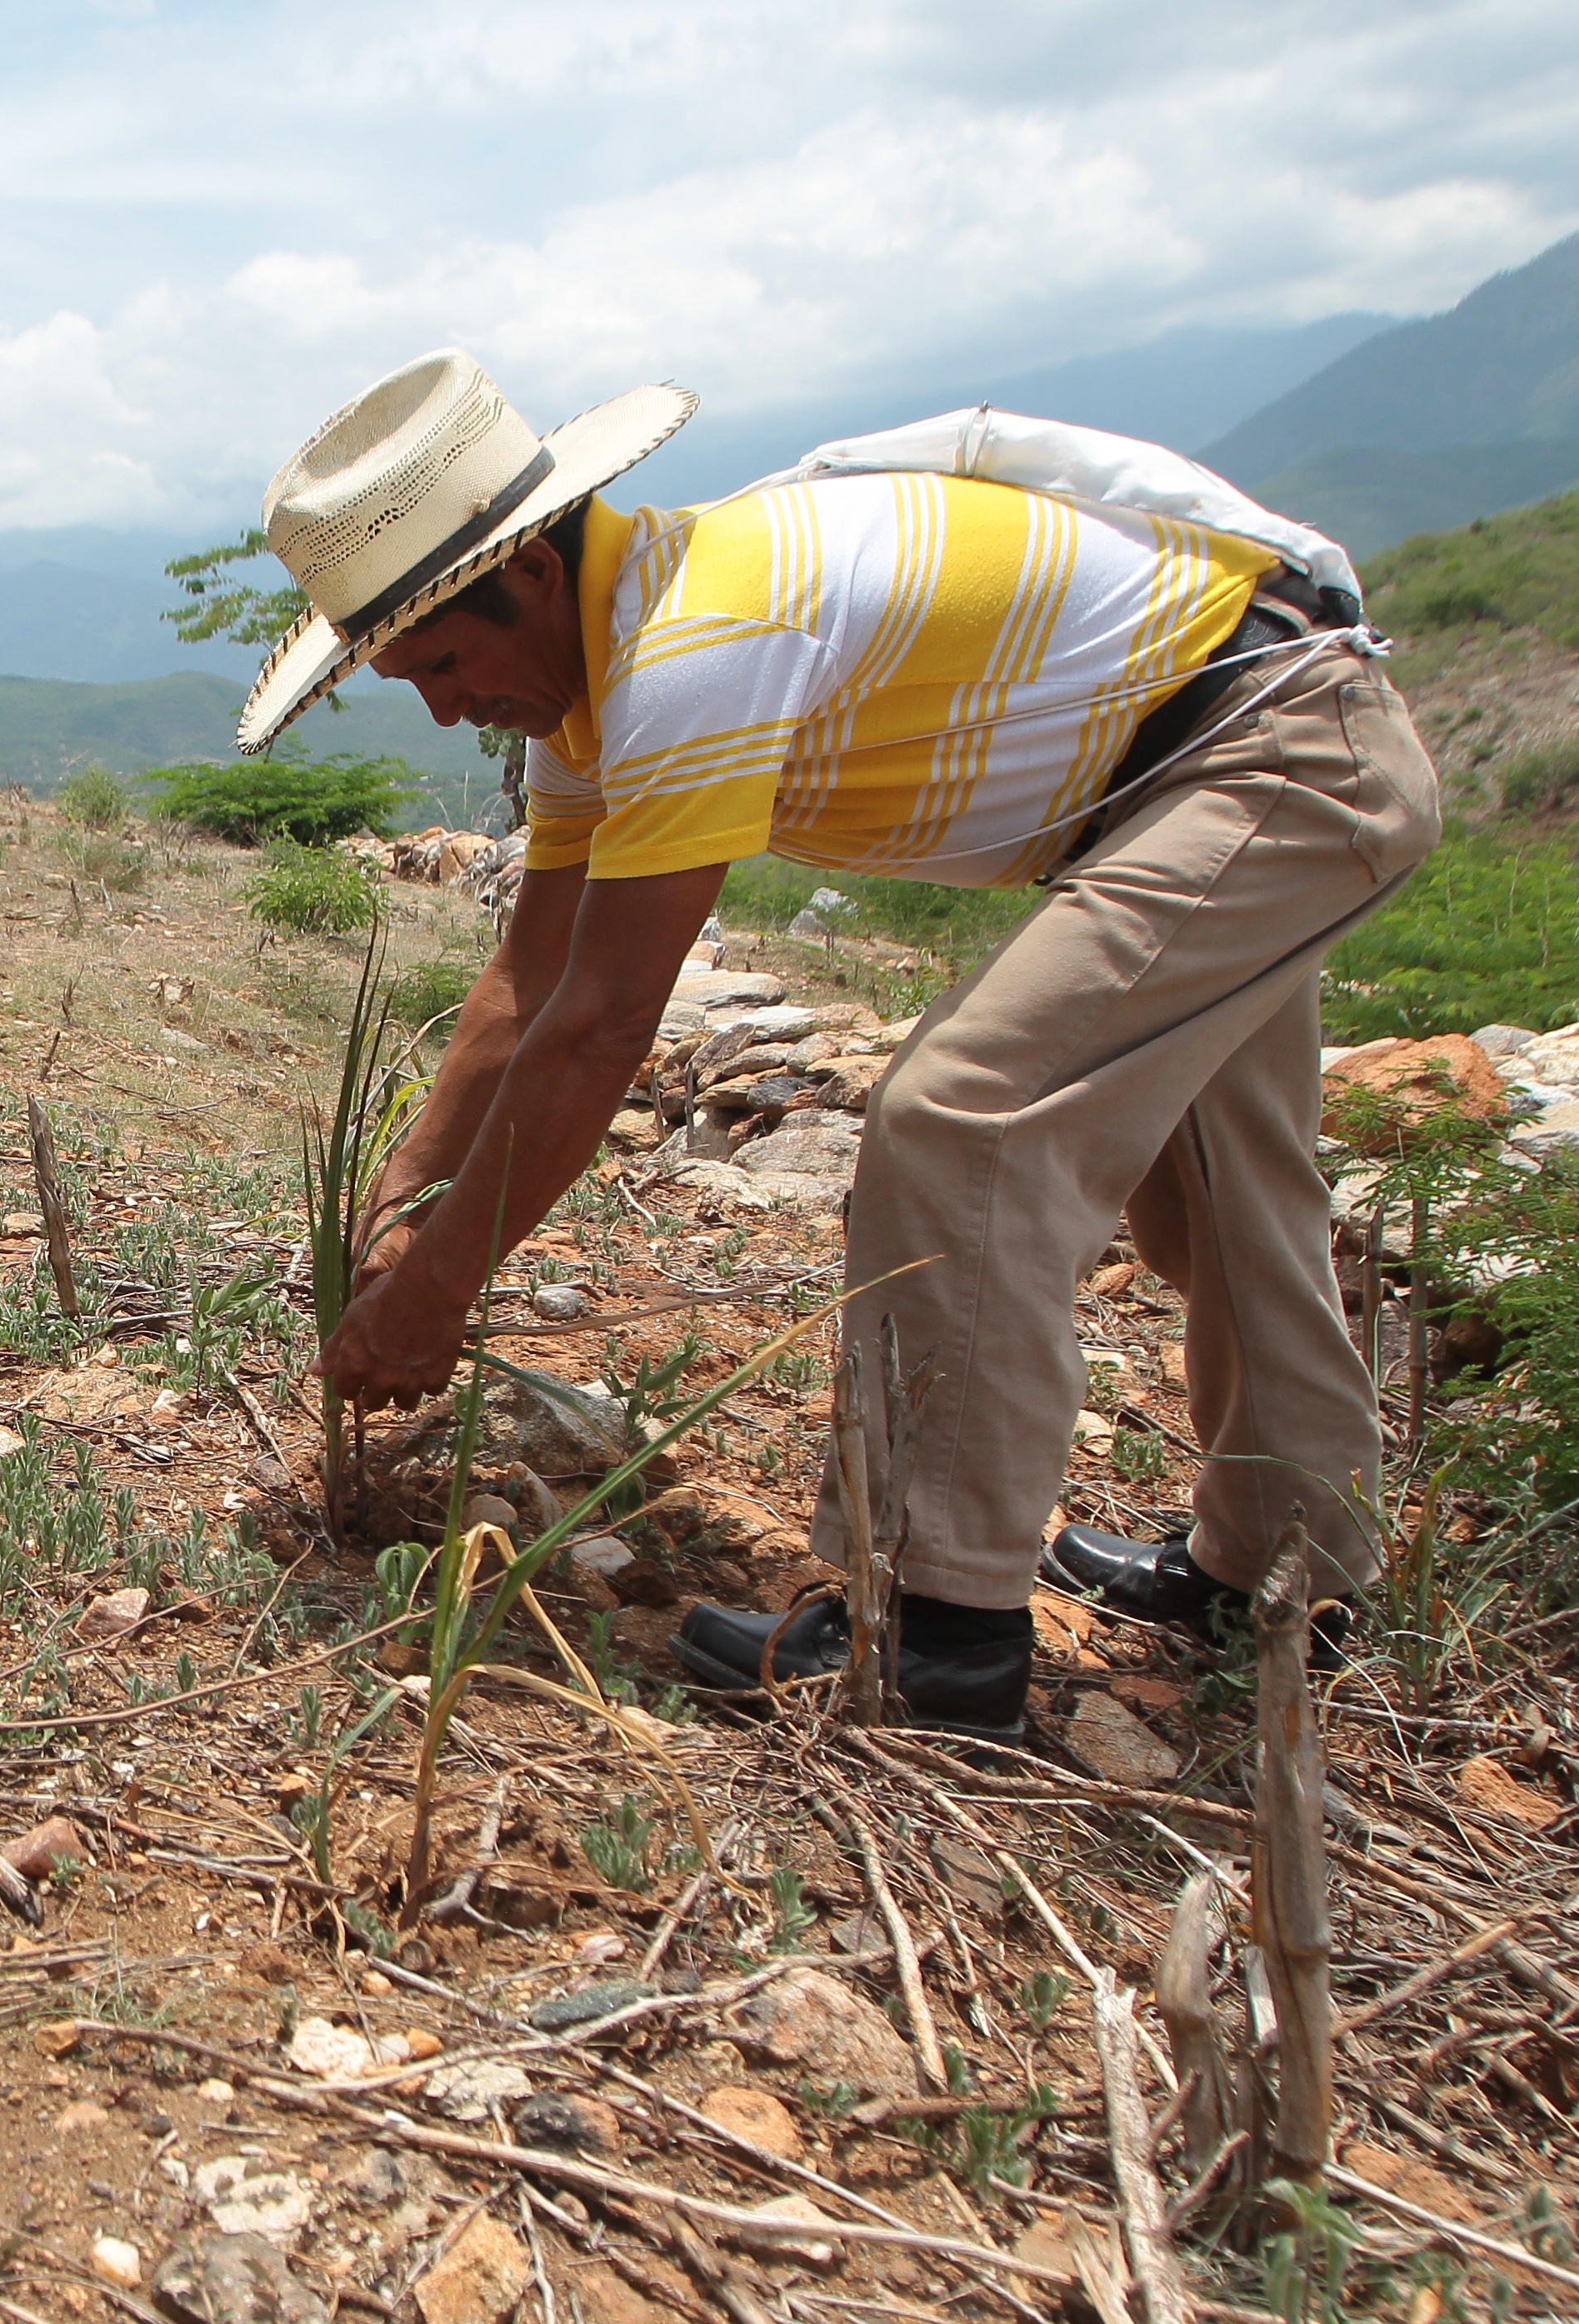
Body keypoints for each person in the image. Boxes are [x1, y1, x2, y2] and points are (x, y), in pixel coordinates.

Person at [245, 350, 1439, 1734]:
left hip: (1276, 750)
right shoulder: (597, 674)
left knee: (964, 1117)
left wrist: (437, 1291)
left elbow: (601, 1023)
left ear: (526, 574)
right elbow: (527, 977)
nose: (443, 705)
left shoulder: (697, 643)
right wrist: (407, 1201)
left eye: (446, 660)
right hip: (1209, 766)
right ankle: (1285, 1573)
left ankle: (933, 1625)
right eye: (407, 680)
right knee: (1220, 1185)